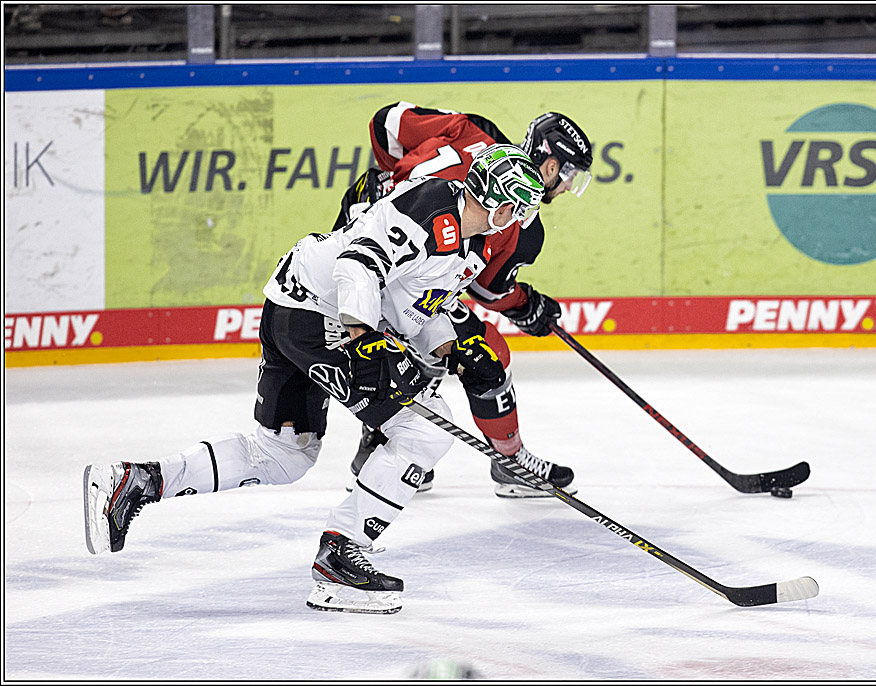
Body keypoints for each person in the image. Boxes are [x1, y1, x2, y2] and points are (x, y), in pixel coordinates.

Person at [83, 144, 546, 614]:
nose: (518, 218)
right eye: (518, 205)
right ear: (498, 200)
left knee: (282, 454)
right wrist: (364, 337)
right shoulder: (431, 208)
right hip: (321, 316)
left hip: (297, 303)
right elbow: (358, 263)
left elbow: (419, 303)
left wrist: (457, 350)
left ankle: (136, 482)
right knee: (424, 430)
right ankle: (340, 557)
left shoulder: (464, 240)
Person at [335, 102, 594, 498]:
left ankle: (378, 445)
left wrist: (392, 181)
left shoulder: (472, 128)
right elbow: (485, 288)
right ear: (552, 166)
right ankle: (509, 461)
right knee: (484, 351)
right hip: (396, 278)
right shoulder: (524, 225)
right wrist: (527, 306)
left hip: (354, 254)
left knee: (422, 339)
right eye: (569, 175)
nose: (565, 187)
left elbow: (385, 123)